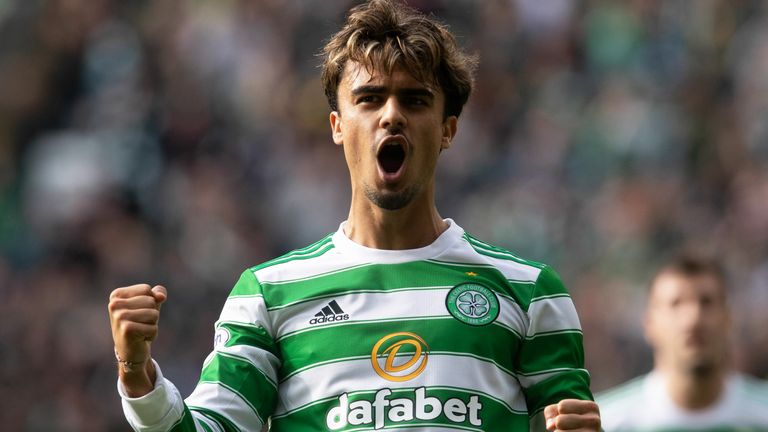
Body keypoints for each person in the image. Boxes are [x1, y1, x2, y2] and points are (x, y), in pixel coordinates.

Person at [108, 1, 600, 430]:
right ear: (338, 126)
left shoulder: (530, 291)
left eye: (415, 99)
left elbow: (567, 422)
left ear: (448, 129)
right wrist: (137, 373)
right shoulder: (270, 293)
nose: (391, 115)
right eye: (369, 98)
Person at [597, 254, 768, 431]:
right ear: (649, 324)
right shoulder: (606, 423)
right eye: (675, 304)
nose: (693, 319)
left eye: (706, 302)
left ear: (728, 319)